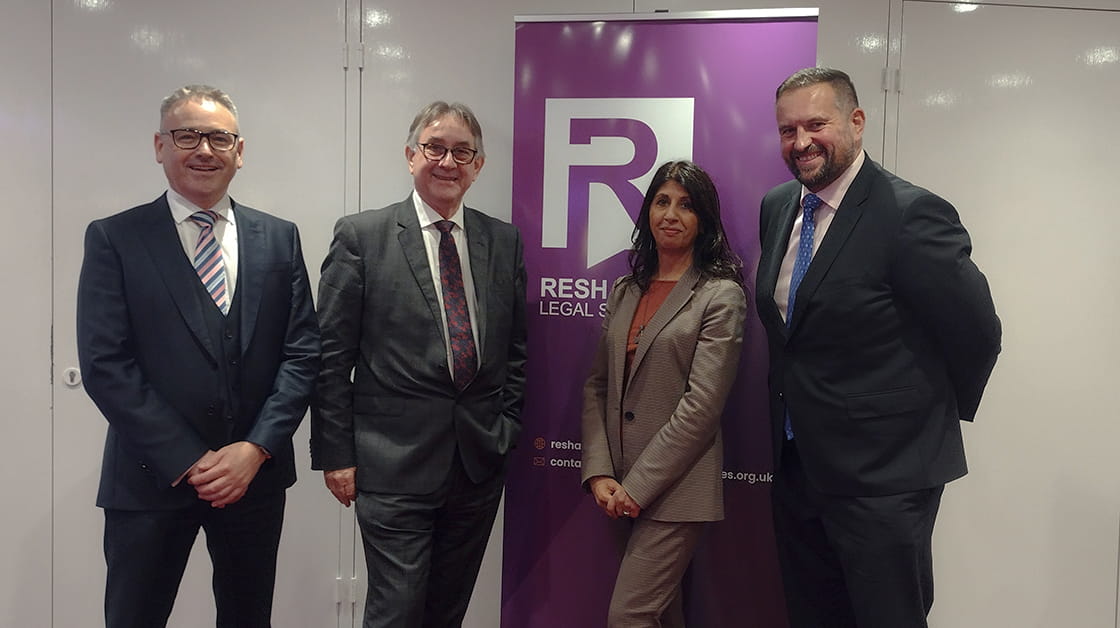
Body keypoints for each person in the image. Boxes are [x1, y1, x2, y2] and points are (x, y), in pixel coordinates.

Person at [755, 67, 1002, 628]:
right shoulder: (777, 207)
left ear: (857, 121)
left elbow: (978, 331)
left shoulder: (910, 214)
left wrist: (919, 421)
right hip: (797, 468)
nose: (801, 143)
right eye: (787, 130)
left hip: (886, 479)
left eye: (816, 124)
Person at [76, 84, 321, 628]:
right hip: (149, 477)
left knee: (247, 616)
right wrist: (190, 460)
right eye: (187, 135)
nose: (204, 149)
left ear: (240, 151)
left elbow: (303, 353)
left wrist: (255, 449)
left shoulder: (279, 238)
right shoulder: (116, 238)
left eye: (219, 137)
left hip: (253, 481)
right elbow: (105, 365)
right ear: (159, 145)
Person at [311, 101, 527, 628]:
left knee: (446, 612)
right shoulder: (362, 236)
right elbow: (330, 357)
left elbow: (515, 350)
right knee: (397, 611)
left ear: (479, 165)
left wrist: (507, 430)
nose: (448, 162)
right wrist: (337, 455)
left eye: (462, 151)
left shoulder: (503, 239)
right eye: (435, 148)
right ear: (411, 156)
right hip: (392, 466)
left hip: (476, 462)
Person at [581, 160, 748, 628]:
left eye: (686, 205)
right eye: (661, 201)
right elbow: (598, 385)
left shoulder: (720, 296)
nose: (671, 214)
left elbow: (702, 407)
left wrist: (639, 486)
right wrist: (599, 474)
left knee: (629, 616)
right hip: (617, 486)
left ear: (704, 221)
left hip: (675, 488)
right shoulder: (624, 290)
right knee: (663, 615)